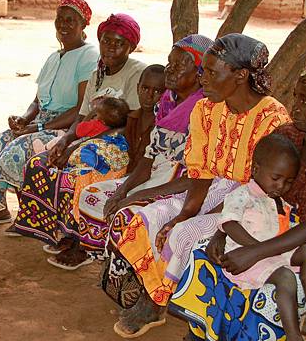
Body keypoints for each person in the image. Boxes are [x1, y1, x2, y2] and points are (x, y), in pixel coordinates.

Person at [103, 33, 291, 338]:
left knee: (186, 234)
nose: (202, 79)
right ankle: (158, 297)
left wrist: (196, 221)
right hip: (210, 188)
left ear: (240, 76)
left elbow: (257, 186)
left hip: (251, 201)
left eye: (212, 73)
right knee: (143, 219)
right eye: (203, 70)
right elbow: (200, 170)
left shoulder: (272, 117)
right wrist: (185, 212)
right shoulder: (206, 109)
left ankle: (178, 309)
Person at [170, 55, 306, 341]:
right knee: (205, 254)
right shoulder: (289, 137)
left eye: (304, 101)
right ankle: (203, 333)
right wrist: (221, 233)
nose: (295, 108)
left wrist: (258, 251)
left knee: (268, 294)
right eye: (295, 98)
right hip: (269, 224)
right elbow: (251, 190)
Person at [11, 13, 147, 270]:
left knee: (78, 171)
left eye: (119, 44)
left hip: (119, 144)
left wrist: (76, 145)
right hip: (88, 138)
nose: (111, 48)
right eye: (106, 41)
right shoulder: (97, 73)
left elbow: (130, 124)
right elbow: (82, 116)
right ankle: (65, 232)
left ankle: (85, 245)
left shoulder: (136, 73)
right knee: (42, 163)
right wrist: (66, 141)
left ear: (130, 47)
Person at [77, 34, 213, 257]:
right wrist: (123, 190)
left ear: (199, 74)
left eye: (180, 65)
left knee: (128, 215)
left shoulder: (204, 112)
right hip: (156, 177)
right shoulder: (167, 103)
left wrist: (137, 196)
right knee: (92, 195)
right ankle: (104, 256)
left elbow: (194, 178)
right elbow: (150, 157)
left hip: (181, 189)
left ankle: (128, 271)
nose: (170, 69)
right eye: (170, 62)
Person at [0, 0, 99, 227]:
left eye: (71, 21)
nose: (63, 25)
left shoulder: (88, 56)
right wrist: (24, 119)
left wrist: (39, 127)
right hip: (40, 122)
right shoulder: (53, 57)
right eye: (60, 19)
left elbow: (82, 107)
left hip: (65, 127)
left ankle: (29, 216)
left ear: (83, 25)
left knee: (15, 150)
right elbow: (37, 101)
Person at [219, 133, 306, 341]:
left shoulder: (279, 201)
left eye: (288, 182)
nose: (281, 186)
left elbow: (286, 227)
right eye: (276, 178)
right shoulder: (242, 195)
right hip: (246, 257)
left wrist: (269, 250)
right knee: (285, 277)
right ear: (256, 170)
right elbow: (229, 223)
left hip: (272, 253)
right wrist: (257, 250)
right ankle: (293, 335)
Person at [36, 96, 131, 153]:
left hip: (81, 144)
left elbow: (79, 130)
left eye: (97, 113)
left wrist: (91, 114)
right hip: (95, 147)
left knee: (58, 141)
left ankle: (43, 148)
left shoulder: (95, 124)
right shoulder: (110, 130)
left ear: (102, 119)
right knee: (62, 135)